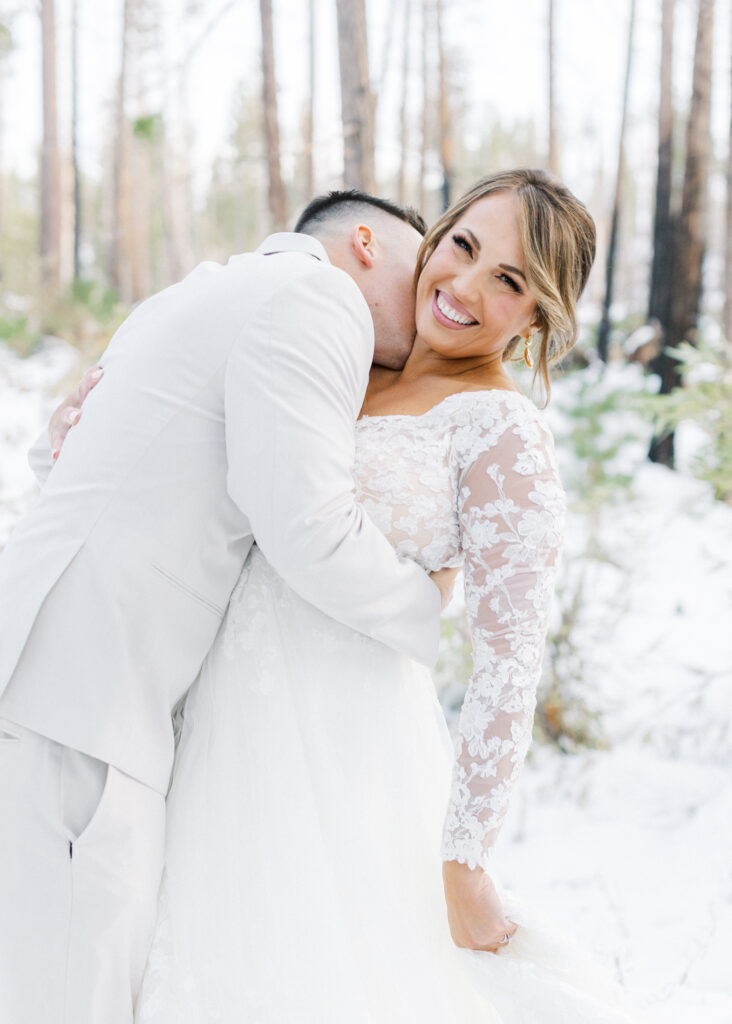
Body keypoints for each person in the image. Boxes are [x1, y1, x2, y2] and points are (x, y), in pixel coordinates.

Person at [0, 192, 461, 1024]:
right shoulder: (317, 299)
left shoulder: (193, 293)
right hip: (83, 704)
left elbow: (57, 448)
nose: (436, 305)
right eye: (424, 264)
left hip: (50, 679)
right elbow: (304, 521)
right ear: (366, 242)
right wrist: (426, 604)